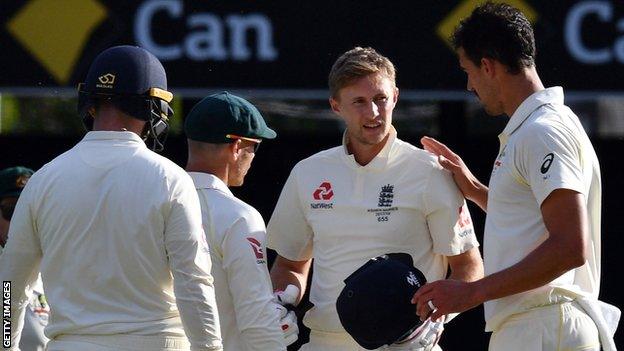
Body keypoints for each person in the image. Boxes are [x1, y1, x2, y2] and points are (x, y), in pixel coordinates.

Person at [412, 3, 619, 350]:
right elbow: (533, 222)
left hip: (543, 326)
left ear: (489, 67)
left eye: (469, 72)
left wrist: (470, 293)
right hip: (539, 326)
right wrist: (476, 189)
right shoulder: (541, 127)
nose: (469, 86)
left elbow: (570, 247)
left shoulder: (542, 131)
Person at [0, 46, 223, 351]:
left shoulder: (43, 180)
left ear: (89, 104)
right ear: (153, 106)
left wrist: (5, 347)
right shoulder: (170, 179)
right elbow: (193, 282)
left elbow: (9, 286)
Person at [267, 46, 484, 350]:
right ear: (335, 105)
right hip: (326, 343)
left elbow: (468, 267)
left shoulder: (430, 170)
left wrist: (436, 319)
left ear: (395, 96)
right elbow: (290, 266)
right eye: (358, 102)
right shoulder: (308, 173)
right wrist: (279, 304)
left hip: (407, 345)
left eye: (380, 99)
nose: (372, 112)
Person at [184, 91, 299, 350]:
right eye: (254, 146)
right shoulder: (239, 217)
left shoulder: (152, 205)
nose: (254, 156)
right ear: (236, 146)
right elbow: (257, 319)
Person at [0, 166, 49, 351]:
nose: (20, 221)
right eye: (12, 210)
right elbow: (8, 299)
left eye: (27, 212)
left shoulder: (56, 267)